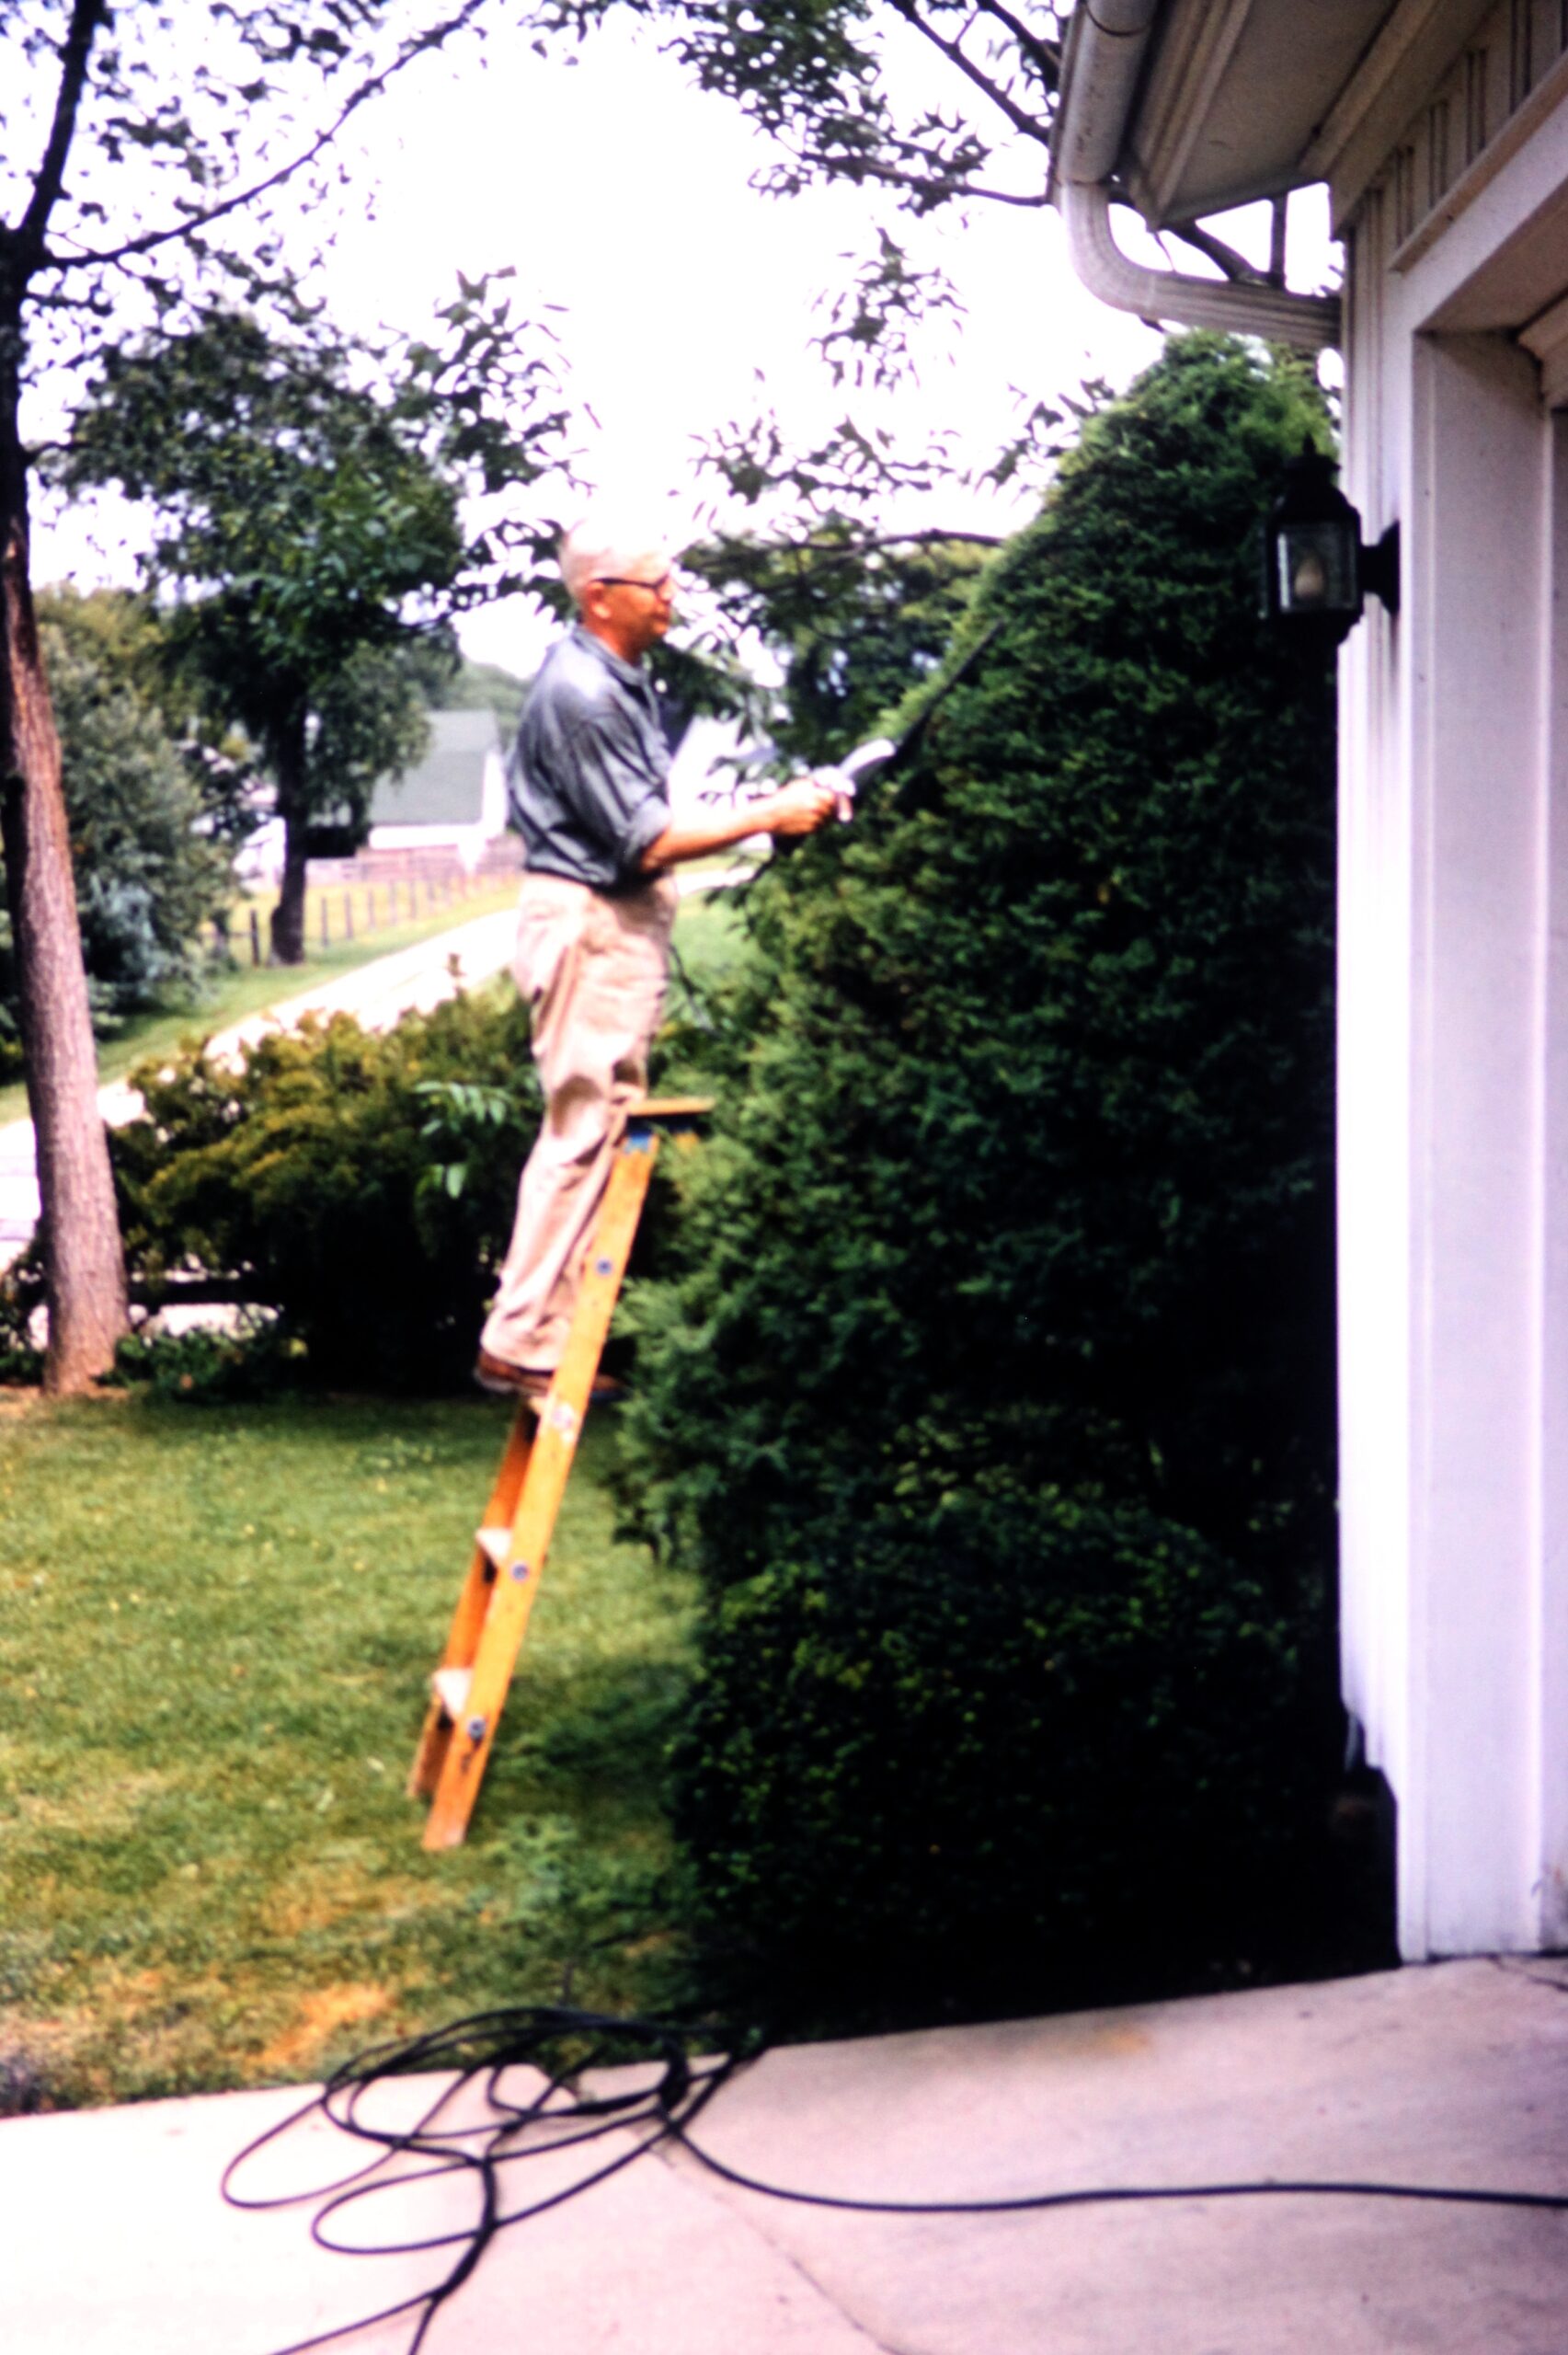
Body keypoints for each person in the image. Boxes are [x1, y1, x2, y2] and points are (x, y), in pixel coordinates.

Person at [475, 512, 840, 1401]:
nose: (673, 596)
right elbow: (645, 841)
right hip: (591, 923)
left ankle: (544, 1338)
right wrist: (769, 813)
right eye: (656, 584)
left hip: (606, 924)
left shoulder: (614, 678)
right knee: (584, 1125)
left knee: (597, 1122)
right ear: (601, 598)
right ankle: (521, 1339)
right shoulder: (586, 695)